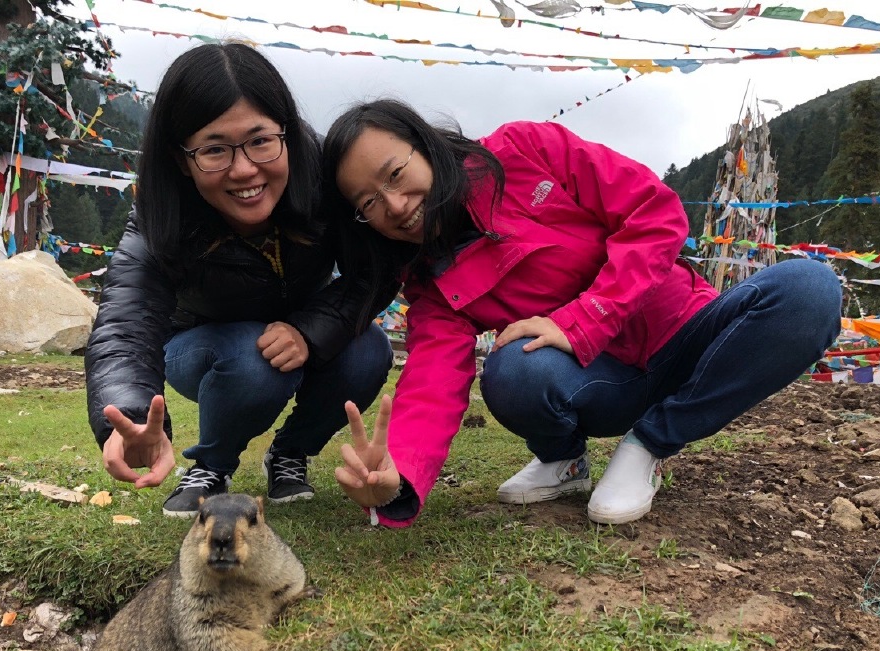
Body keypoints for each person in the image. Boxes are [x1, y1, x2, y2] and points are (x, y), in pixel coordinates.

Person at [321, 99, 842, 529]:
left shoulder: (524, 150)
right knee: (514, 369)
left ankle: (649, 444)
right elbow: (432, 380)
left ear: (425, 144)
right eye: (367, 202)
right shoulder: (429, 282)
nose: (393, 205)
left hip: (690, 334)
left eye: (395, 173)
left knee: (807, 288)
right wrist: (399, 475)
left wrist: (582, 320)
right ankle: (563, 461)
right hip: (602, 385)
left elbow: (654, 214)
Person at [84, 44, 396, 517]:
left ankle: (290, 454)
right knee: (256, 358)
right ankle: (212, 464)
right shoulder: (162, 213)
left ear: (286, 131)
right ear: (181, 158)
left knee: (370, 348)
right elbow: (126, 321)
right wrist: (126, 416)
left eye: (260, 141)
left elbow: (374, 267)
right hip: (199, 345)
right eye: (214, 150)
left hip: (299, 331)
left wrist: (310, 331)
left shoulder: (327, 179)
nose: (245, 169)